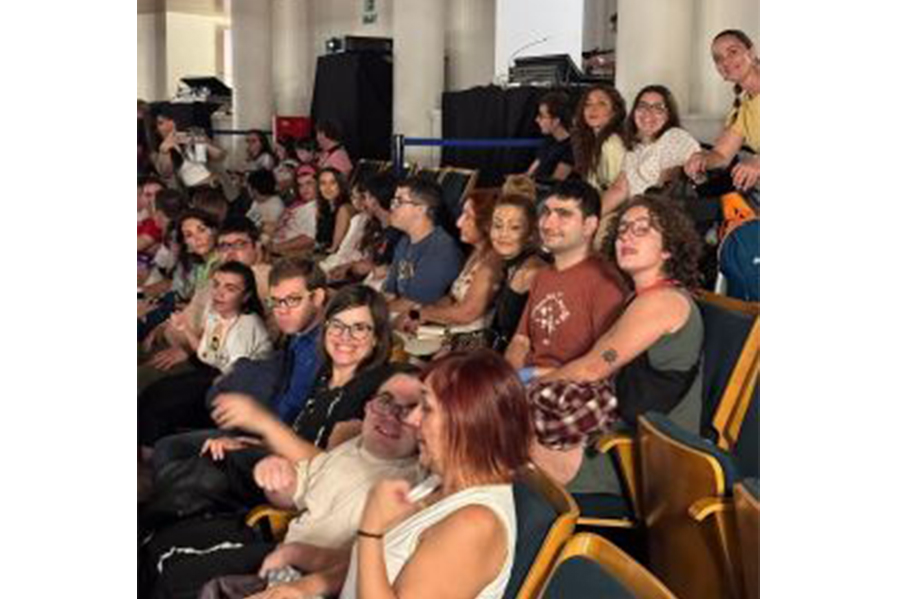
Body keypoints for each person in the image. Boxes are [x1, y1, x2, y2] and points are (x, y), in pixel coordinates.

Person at [143, 369, 425, 599]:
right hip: (284, 540)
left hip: (302, 568)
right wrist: (277, 477)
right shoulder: (354, 444)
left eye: (410, 409)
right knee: (164, 541)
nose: (391, 415)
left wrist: (262, 427)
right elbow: (299, 492)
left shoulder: (415, 481)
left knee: (172, 571)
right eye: (385, 401)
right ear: (369, 405)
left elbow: (372, 564)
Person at [530, 195, 704, 492]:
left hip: (642, 458)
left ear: (668, 249)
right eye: (622, 228)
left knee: (491, 430)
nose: (626, 236)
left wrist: (515, 392)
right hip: (614, 433)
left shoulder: (664, 301)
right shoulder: (638, 298)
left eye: (642, 229)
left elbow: (591, 369)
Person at [340, 349, 534, 599]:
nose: (411, 419)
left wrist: (370, 530)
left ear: (467, 422)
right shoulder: (437, 483)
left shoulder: (475, 525)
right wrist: (307, 586)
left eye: (427, 408)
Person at [150, 257, 329, 473]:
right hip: (258, 421)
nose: (281, 311)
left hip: (278, 444)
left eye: (292, 300)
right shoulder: (298, 334)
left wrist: (257, 439)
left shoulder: (322, 347)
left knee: (172, 451)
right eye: (275, 301)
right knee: (167, 445)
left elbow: (297, 416)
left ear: (317, 297)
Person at [139, 260, 272, 451]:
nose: (219, 293)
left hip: (240, 391)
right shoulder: (216, 315)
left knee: (161, 402)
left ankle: (152, 458)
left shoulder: (248, 325)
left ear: (246, 296)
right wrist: (185, 329)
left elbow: (235, 372)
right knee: (154, 392)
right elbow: (207, 354)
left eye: (230, 288)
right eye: (216, 285)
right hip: (216, 374)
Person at [505, 180, 627, 377]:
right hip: (528, 382)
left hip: (572, 386)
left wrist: (536, 377)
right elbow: (520, 341)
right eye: (546, 212)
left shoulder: (606, 284)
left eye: (563, 214)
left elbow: (608, 360)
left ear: (589, 225)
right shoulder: (542, 275)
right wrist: (512, 379)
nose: (547, 224)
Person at [394, 194, 504, 353]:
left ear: (486, 224)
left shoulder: (493, 261)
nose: (459, 223)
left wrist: (421, 314)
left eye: (467, 216)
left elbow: (467, 313)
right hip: (449, 329)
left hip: (468, 340)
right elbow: (452, 298)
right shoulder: (476, 253)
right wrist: (419, 313)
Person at [599, 85, 700, 223]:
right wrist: (591, 217)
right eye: (643, 106)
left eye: (658, 108)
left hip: (662, 219)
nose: (648, 113)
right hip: (635, 213)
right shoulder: (635, 148)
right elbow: (619, 188)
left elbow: (668, 186)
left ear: (669, 115)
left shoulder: (675, 137)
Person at [684, 29, 760, 192]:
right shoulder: (742, 108)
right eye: (718, 58)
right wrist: (702, 159)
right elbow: (722, 155)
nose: (726, 61)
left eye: (733, 52)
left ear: (752, 52)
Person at [382, 177, 463, 313]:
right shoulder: (405, 240)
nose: (391, 207)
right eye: (393, 201)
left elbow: (412, 304)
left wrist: (370, 312)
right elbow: (390, 292)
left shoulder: (441, 250)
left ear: (421, 209)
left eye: (399, 202)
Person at [485, 194, 549, 353]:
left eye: (514, 227)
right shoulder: (508, 264)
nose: (503, 234)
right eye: (498, 225)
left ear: (531, 233)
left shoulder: (531, 273)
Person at [570, 84, 627, 194]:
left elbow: (618, 192)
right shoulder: (591, 140)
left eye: (602, 103)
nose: (593, 109)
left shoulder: (611, 143)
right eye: (588, 104)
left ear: (615, 112)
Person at [319, 178, 371, 276]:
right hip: (343, 259)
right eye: (353, 197)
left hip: (354, 266)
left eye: (361, 197)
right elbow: (345, 247)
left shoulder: (363, 220)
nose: (356, 201)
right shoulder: (357, 219)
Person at [271, 165, 319, 257]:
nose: (304, 189)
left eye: (309, 183)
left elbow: (309, 238)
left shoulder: (314, 207)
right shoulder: (298, 204)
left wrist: (276, 248)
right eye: (300, 185)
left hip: (283, 252)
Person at [526, 91, 574, 182]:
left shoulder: (570, 148)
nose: (537, 119)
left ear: (556, 121)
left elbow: (555, 183)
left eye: (542, 116)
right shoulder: (549, 141)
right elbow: (530, 173)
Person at [316, 167, 354, 254]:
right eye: (323, 183)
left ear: (340, 185)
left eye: (333, 183)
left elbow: (334, 248)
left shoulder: (344, 209)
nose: (327, 188)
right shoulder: (324, 207)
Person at [246, 169, 286, 242]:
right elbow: (250, 219)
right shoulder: (256, 202)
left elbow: (268, 233)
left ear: (254, 190)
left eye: (248, 187)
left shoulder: (275, 206)